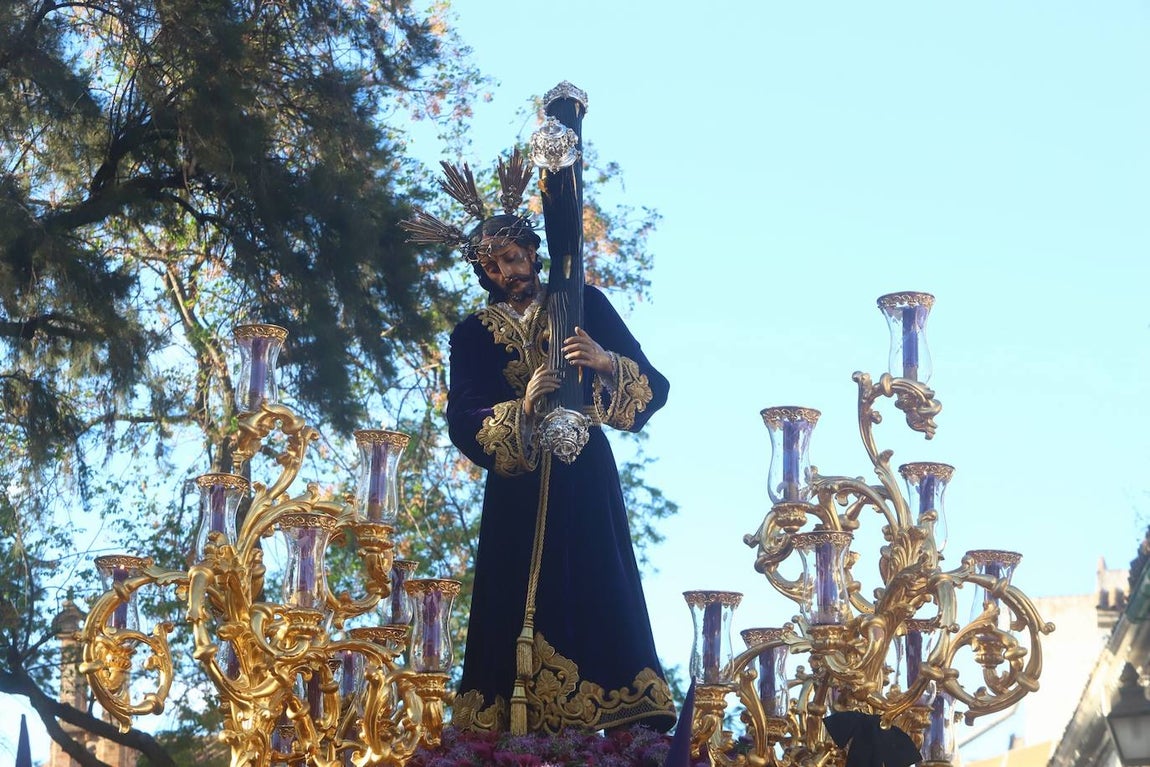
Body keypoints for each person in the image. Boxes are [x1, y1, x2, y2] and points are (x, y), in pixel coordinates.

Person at [444, 212, 676, 735]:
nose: (514, 267)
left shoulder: (582, 303)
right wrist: (521, 411)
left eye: (519, 254)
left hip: (584, 476)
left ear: (533, 252)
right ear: (486, 272)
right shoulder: (472, 334)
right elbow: (462, 417)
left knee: (598, 578)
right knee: (511, 591)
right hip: (517, 486)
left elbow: (654, 388)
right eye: (500, 262)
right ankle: (506, 725)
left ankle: (623, 717)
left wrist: (605, 361)